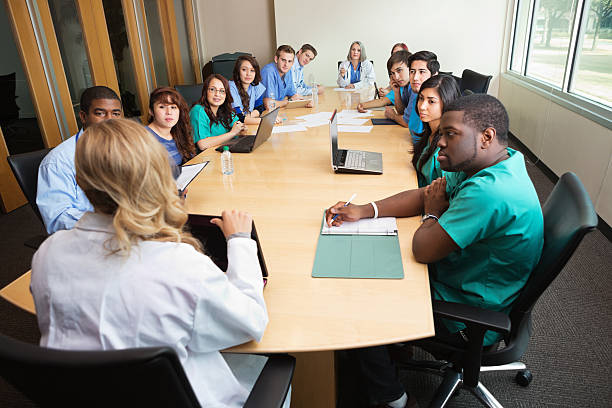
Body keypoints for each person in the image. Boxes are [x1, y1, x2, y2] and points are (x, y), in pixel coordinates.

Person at [31, 118, 272, 408]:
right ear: (157, 176)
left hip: (90, 393)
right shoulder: (179, 265)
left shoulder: (48, 254)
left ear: (81, 181)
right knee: (272, 364)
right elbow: (250, 323)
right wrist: (240, 241)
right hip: (181, 397)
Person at [326, 94, 544, 408]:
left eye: (450, 134)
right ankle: (393, 347)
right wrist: (365, 210)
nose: (439, 141)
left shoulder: (490, 192)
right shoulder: (491, 160)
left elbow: (423, 247)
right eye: (440, 132)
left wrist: (433, 214)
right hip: (463, 278)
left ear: (486, 137)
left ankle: (393, 398)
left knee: (359, 297)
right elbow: (426, 194)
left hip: (467, 315)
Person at [37, 86, 122, 234]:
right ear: (83, 116)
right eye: (100, 113)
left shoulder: (127, 147)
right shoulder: (58, 162)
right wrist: (110, 224)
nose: (109, 120)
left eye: (115, 114)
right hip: (91, 234)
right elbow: (57, 218)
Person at [412, 75, 461, 187]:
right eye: (421, 98)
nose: (422, 106)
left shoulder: (448, 147)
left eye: (431, 101)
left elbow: (444, 194)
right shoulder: (430, 133)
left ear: (447, 103)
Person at [385, 51, 440, 142]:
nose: (415, 78)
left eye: (422, 72)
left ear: (434, 75)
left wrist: (393, 116)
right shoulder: (418, 97)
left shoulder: (439, 103)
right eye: (412, 72)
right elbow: (416, 137)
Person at [190, 74, 246, 151]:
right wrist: (232, 133)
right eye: (212, 89)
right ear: (205, 91)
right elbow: (203, 145)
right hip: (203, 158)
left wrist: (241, 130)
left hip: (222, 154)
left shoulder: (225, 110)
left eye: (222, 91)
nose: (217, 94)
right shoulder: (198, 111)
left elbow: (237, 126)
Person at [146, 87, 197, 166]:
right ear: (151, 111)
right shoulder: (143, 137)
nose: (169, 112)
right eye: (162, 107)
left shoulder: (178, 132)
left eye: (173, 107)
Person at [356, 50, 411, 114]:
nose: (396, 77)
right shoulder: (401, 87)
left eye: (399, 70)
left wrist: (393, 116)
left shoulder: (415, 88)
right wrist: (362, 105)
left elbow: (408, 121)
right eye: (393, 73)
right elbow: (383, 101)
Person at [261, 45, 310, 110]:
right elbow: (269, 105)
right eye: (283, 60)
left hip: (277, 110)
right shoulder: (268, 71)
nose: (286, 64)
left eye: (289, 61)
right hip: (261, 113)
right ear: (276, 59)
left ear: (293, 63)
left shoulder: (288, 71)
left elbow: (293, 95)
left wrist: (306, 102)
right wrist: (288, 101)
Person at [229, 55, 267, 125]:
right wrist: (266, 121)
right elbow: (239, 118)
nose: (248, 74)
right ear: (238, 71)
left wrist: (248, 115)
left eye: (252, 70)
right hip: (233, 128)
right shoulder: (231, 87)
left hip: (247, 125)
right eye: (244, 70)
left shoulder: (256, 85)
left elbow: (260, 108)